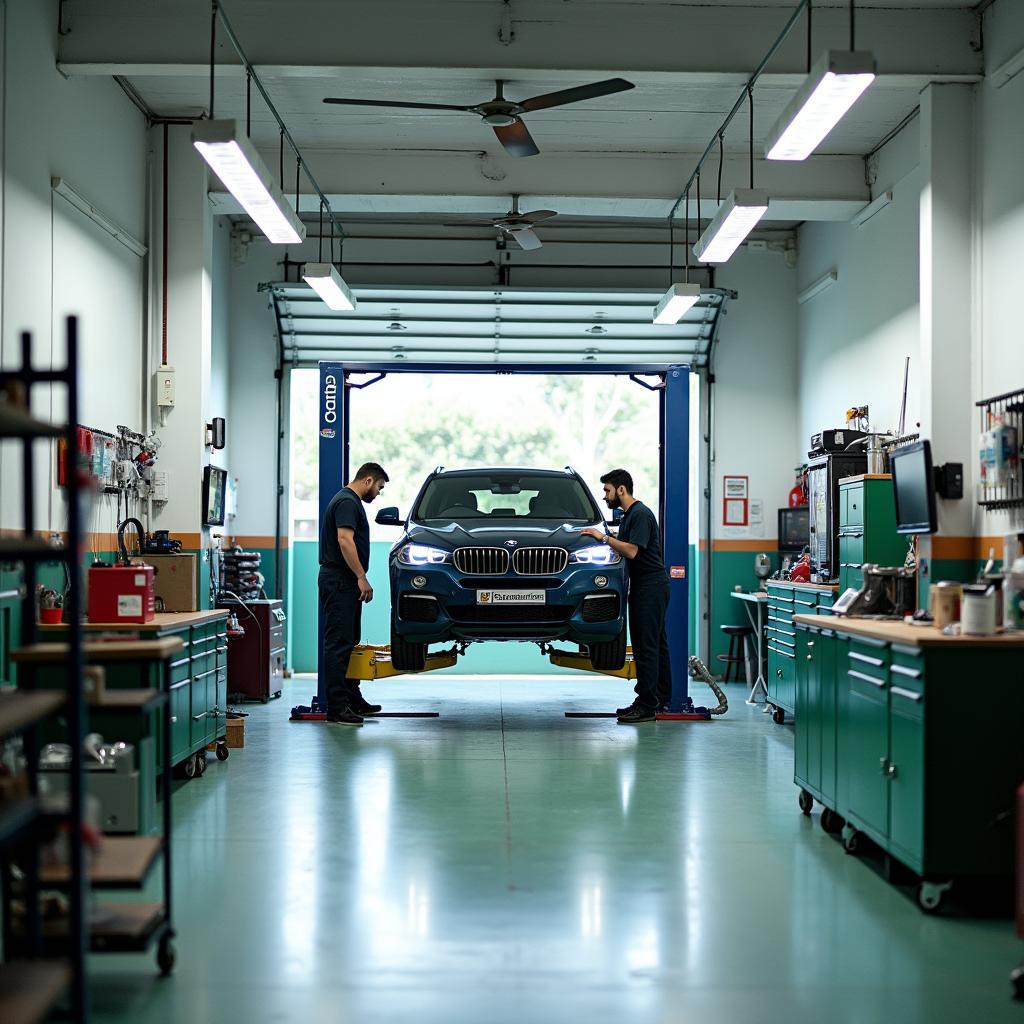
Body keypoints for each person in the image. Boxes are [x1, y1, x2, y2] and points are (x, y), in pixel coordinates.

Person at [581, 468, 671, 723]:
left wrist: (604, 538)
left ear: (621, 489)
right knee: (656, 645)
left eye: (607, 490)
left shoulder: (640, 514)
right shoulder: (630, 516)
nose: (605, 496)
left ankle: (647, 705)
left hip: (650, 587)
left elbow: (631, 551)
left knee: (646, 647)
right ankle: (659, 698)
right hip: (646, 586)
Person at [319, 462, 389, 725]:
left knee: (348, 641)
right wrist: (361, 577)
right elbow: (344, 540)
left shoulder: (348, 500)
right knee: (338, 644)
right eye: (379, 488)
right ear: (368, 480)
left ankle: (351, 698)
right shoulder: (348, 502)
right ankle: (337, 708)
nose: (378, 493)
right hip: (340, 580)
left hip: (342, 581)